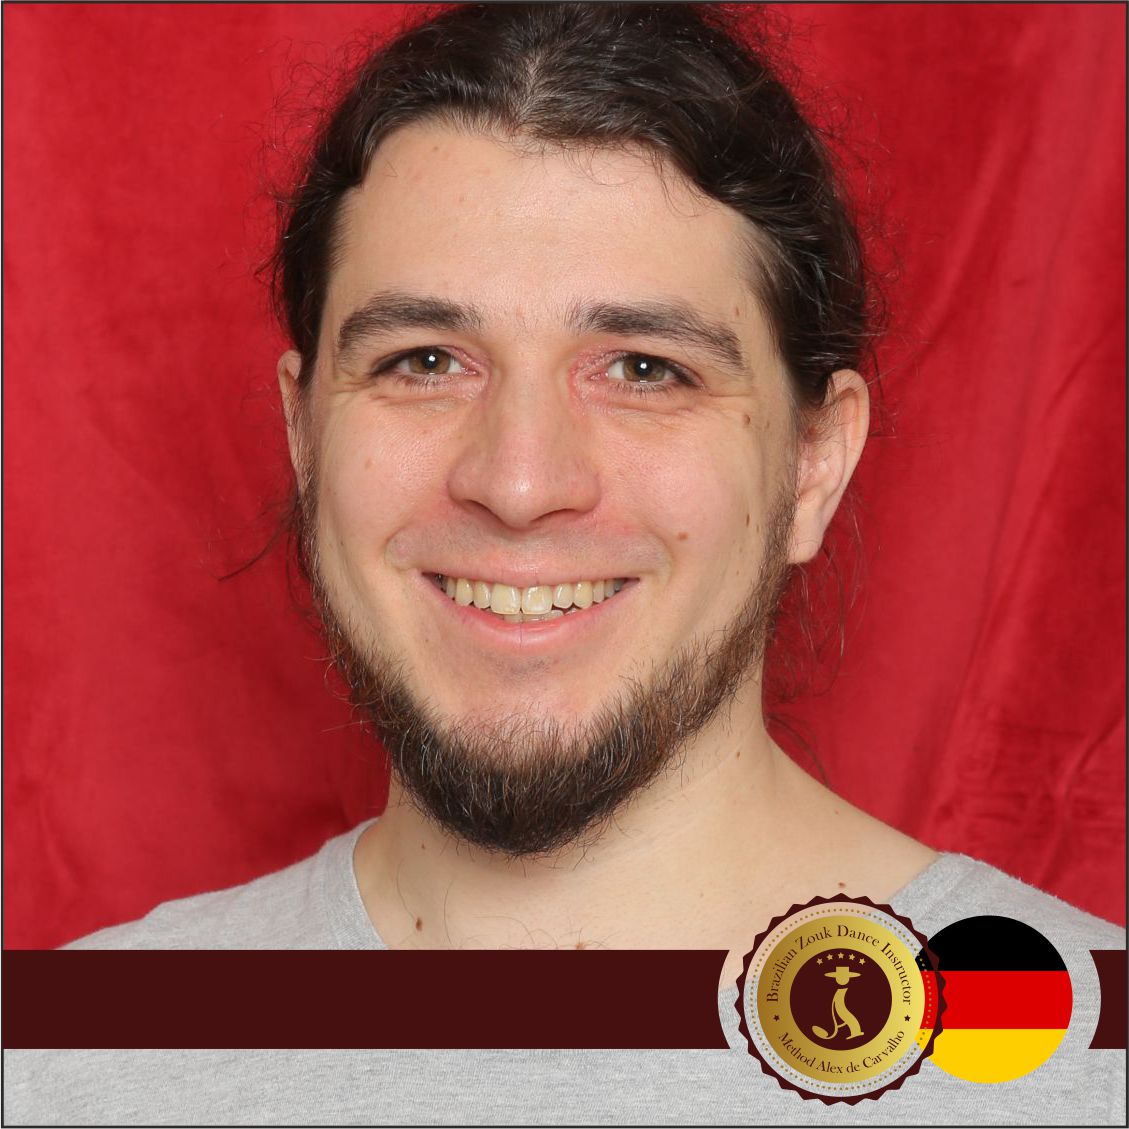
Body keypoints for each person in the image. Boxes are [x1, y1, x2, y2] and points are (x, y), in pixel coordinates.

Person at [6, 3, 1123, 1125]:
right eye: (424, 361)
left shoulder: (1079, 1064)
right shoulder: (70, 1063)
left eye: (643, 369)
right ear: (305, 437)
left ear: (812, 465)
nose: (520, 480)